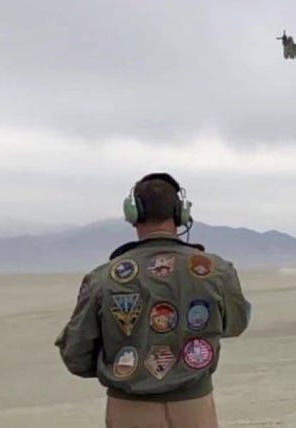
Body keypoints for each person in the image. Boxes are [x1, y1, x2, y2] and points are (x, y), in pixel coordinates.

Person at [54, 172, 251, 428]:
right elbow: (236, 324)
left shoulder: (102, 278)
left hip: (128, 408)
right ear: (181, 213)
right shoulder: (215, 270)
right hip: (194, 407)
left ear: (133, 214)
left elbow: (76, 354)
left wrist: (122, 366)